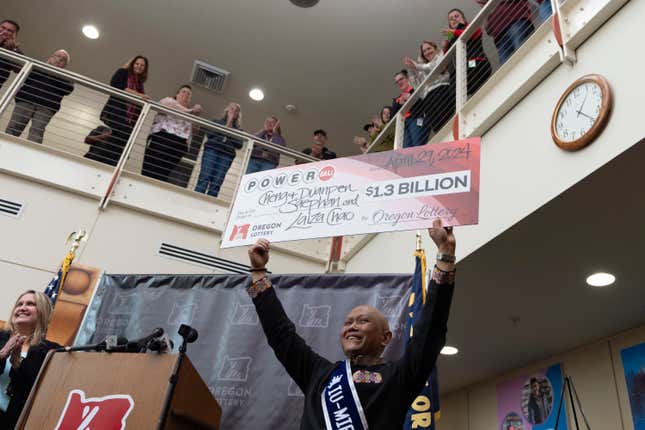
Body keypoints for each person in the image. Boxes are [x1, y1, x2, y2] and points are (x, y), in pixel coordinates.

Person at [245, 218, 456, 429]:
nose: (352, 327)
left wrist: (445, 254)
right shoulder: (318, 373)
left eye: (363, 321)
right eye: (348, 323)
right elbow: (281, 335)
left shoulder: (401, 375)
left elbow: (430, 330)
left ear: (386, 337)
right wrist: (258, 272)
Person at [0, 291, 59, 429]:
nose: (22, 308)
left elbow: (41, 393)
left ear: (42, 312)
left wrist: (17, 366)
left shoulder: (51, 352)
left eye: (30, 304)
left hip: (15, 423)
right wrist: (2, 354)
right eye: (19, 304)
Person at [85, 55, 149, 166]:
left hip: (128, 117)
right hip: (117, 109)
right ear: (133, 63)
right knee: (124, 134)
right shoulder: (123, 72)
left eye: (142, 65)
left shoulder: (140, 84)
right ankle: (94, 157)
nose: (139, 66)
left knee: (121, 137)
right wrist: (139, 95)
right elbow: (116, 86)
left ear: (144, 69)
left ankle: (102, 159)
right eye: (137, 63)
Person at [5, 49, 74, 143]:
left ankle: (31, 155)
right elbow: (26, 74)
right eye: (58, 56)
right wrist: (47, 67)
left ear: (65, 65)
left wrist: (54, 72)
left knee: (36, 133)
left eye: (63, 59)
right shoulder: (36, 66)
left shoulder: (67, 76)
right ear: (51, 57)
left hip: (46, 108)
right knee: (13, 127)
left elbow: (68, 89)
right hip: (26, 101)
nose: (59, 60)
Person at [142, 84, 203, 184]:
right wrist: (191, 111)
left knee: (165, 171)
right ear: (177, 94)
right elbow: (170, 106)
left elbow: (196, 130)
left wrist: (196, 116)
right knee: (151, 166)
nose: (186, 94)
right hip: (163, 137)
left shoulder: (191, 113)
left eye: (189, 94)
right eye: (183, 92)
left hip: (180, 143)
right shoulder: (169, 101)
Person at [404, 40, 455, 134]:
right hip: (428, 99)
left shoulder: (440, 57)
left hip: (441, 92)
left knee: (449, 120)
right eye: (424, 51)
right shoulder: (422, 68)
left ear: (435, 48)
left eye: (429, 48)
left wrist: (416, 66)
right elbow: (416, 87)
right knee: (437, 127)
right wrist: (410, 68)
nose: (427, 52)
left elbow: (432, 67)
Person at [194, 102, 243, 197]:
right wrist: (227, 125)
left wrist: (228, 132)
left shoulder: (239, 130)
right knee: (205, 176)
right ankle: (196, 199)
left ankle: (209, 205)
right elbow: (210, 134)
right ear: (227, 110)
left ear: (237, 114)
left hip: (227, 155)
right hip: (212, 150)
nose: (233, 111)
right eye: (231, 108)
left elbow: (239, 144)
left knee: (217, 181)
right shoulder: (216, 122)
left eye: (236, 110)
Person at [442, 8, 492, 97]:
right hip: (459, 74)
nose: (454, 19)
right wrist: (444, 48)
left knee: (472, 69)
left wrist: (453, 32)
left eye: (456, 16)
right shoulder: (450, 38)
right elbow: (446, 60)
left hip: (474, 63)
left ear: (463, 19)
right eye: (451, 19)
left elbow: (474, 33)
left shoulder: (469, 26)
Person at [476, 0, 535, 64]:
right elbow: (488, 30)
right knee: (508, 68)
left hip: (515, 21)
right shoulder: (486, 6)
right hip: (499, 36)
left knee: (524, 56)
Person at [391, 70, 431, 148]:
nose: (399, 82)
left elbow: (423, 103)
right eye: (397, 82)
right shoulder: (397, 99)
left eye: (401, 79)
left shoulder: (416, 90)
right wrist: (399, 104)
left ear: (407, 78)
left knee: (417, 144)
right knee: (407, 150)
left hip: (416, 119)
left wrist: (410, 97)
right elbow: (392, 117)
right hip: (404, 125)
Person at [0, 19, 23, 89]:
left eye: (9, 31)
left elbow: (19, 69)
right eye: (3, 28)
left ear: (13, 35)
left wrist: (11, 50)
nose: (5, 32)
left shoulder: (15, 50)